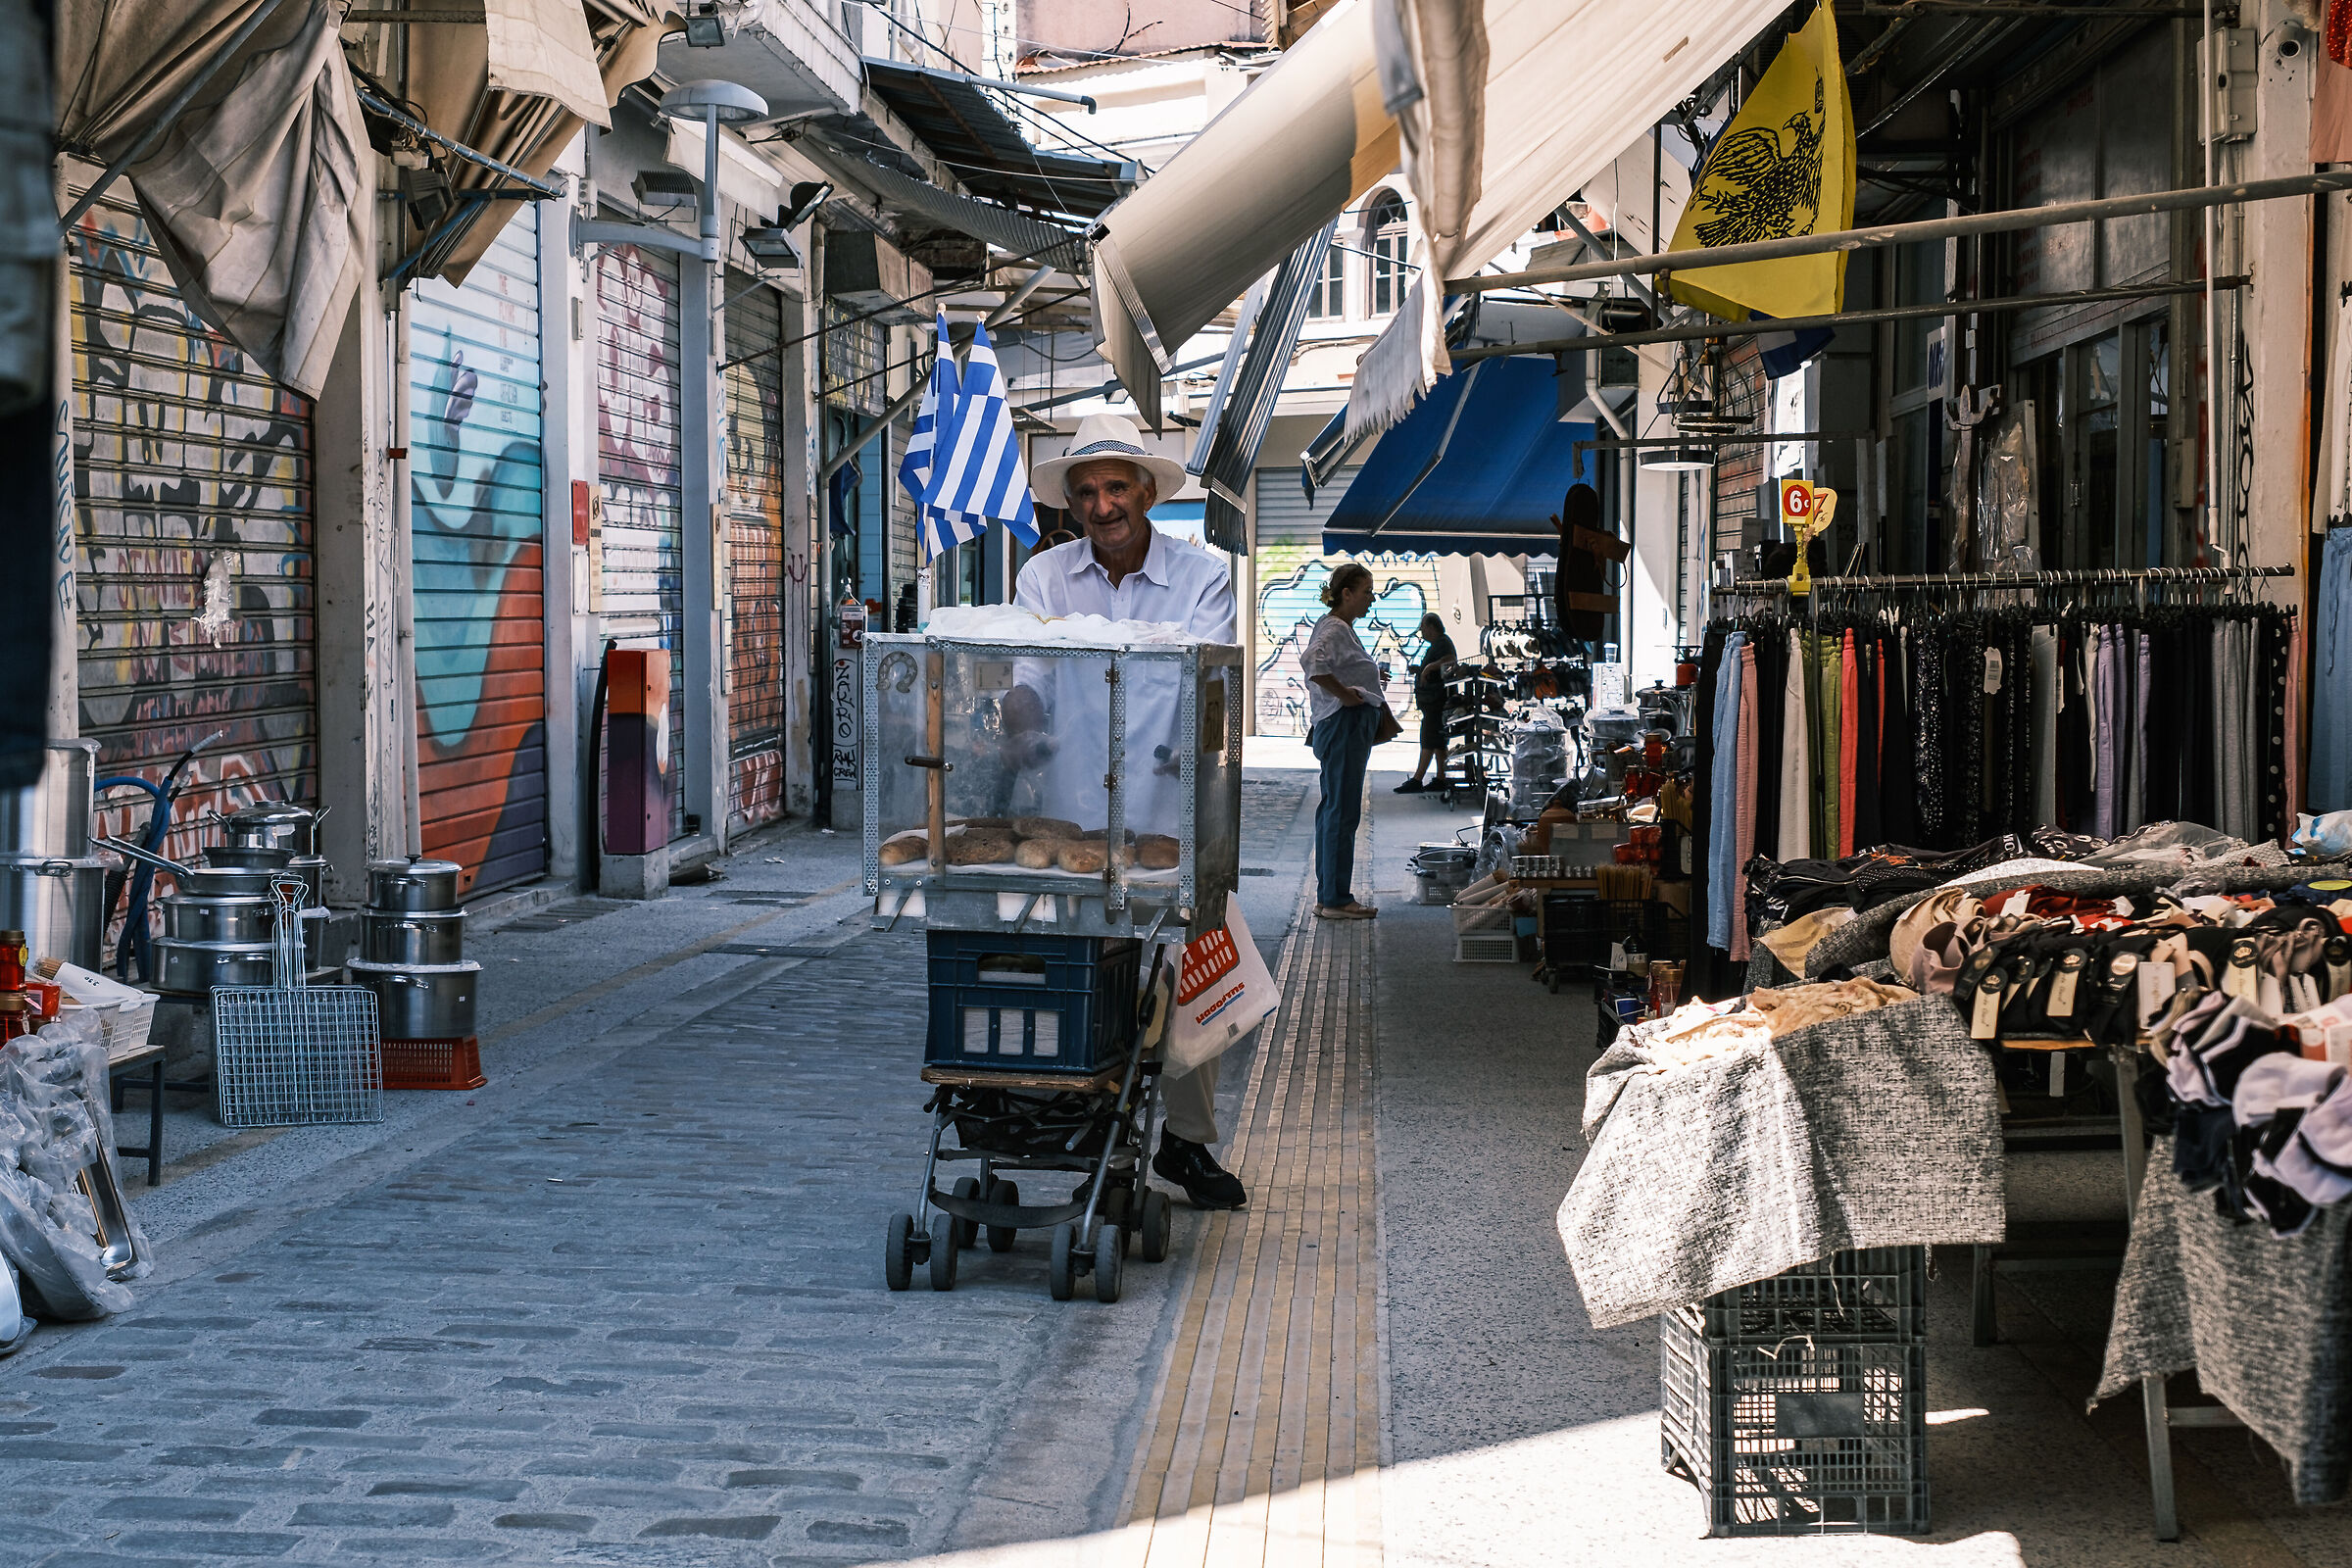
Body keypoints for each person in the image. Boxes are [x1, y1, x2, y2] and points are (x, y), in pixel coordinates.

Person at [1006, 412, 1247, 1212]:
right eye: (1085, 493)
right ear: (1070, 505)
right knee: (1090, 975)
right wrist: (1019, 719)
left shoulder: (1202, 577)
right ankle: (1096, 1138)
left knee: (1191, 977)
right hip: (1073, 813)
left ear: (1146, 492)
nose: (1102, 505)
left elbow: (1205, 689)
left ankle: (1186, 1141)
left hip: (1174, 809)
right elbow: (1028, 668)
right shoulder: (1044, 578)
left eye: (1115, 488)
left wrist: (1192, 759)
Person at [1299, 562, 1393, 919]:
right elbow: (1314, 662)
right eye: (1367, 592)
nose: (1372, 599)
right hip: (1343, 726)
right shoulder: (1335, 627)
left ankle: (1331, 895)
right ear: (1347, 594)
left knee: (1334, 809)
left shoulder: (1340, 628)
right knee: (1341, 811)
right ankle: (1337, 898)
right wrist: (1346, 695)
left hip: (1343, 726)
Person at [1395, 611, 1457, 793]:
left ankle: (1417, 779)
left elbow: (1450, 660)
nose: (1420, 631)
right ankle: (1441, 777)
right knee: (1438, 742)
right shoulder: (1436, 645)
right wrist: (1420, 669)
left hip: (1437, 701)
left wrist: (1428, 667)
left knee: (1428, 739)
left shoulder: (1443, 642)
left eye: (1422, 627)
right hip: (1431, 701)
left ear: (1431, 627)